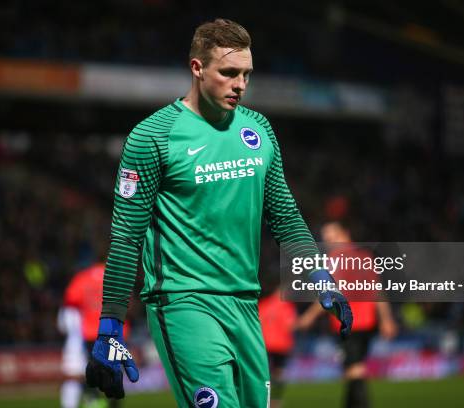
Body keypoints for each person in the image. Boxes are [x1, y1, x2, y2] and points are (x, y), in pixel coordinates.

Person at [85, 18, 352, 408]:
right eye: (229, 72)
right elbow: (126, 238)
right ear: (197, 68)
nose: (240, 84)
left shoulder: (258, 130)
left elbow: (284, 214)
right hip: (182, 303)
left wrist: (320, 275)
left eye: (246, 74)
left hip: (245, 304)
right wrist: (110, 325)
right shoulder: (153, 137)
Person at [296, 220, 398, 408]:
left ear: (344, 233)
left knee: (354, 370)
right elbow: (378, 291)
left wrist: (308, 317)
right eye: (325, 236)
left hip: (349, 323)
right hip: (368, 323)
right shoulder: (365, 257)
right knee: (354, 368)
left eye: (331, 235)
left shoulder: (335, 259)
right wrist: (386, 319)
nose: (327, 240)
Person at [59, 262, 125, 408]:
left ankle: (93, 400)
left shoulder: (82, 278)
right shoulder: (115, 278)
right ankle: (113, 403)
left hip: (91, 332)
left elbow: (70, 301)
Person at [258, 284, 297, 408]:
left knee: (264, 373)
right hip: (281, 345)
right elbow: (290, 325)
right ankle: (274, 401)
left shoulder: (263, 304)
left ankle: (263, 399)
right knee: (278, 374)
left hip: (265, 343)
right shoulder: (286, 306)